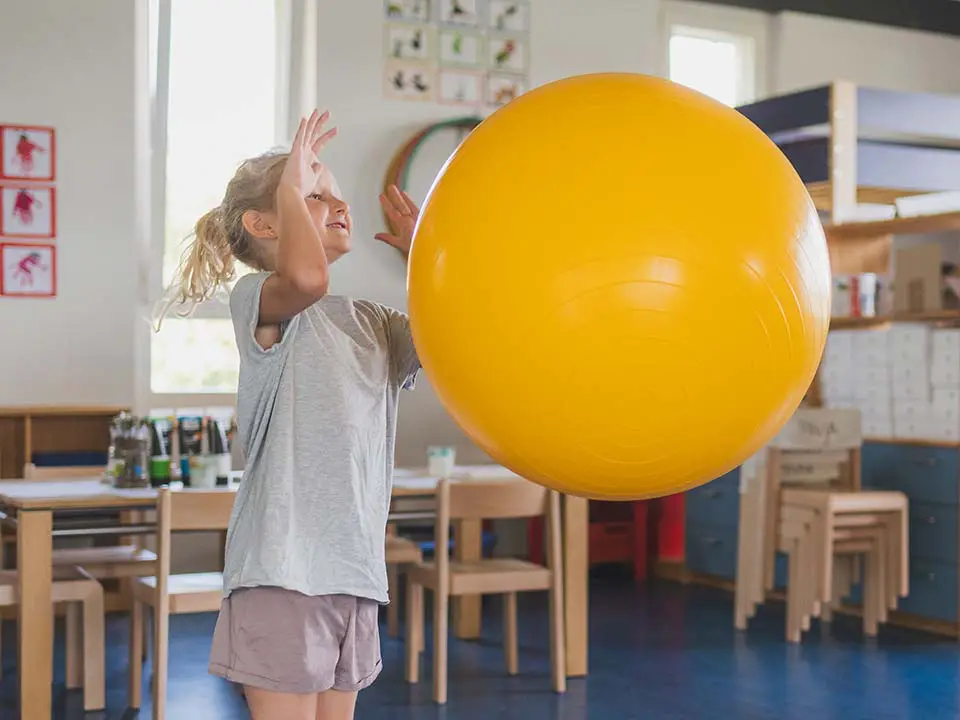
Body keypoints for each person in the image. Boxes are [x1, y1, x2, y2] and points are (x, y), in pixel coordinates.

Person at [157, 109, 423, 720]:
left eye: (335, 192)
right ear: (264, 222)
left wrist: (429, 257)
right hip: (282, 568)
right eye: (314, 193)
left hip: (353, 573)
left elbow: (463, 339)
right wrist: (287, 186)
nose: (339, 203)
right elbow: (306, 276)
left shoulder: (374, 322)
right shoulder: (261, 302)